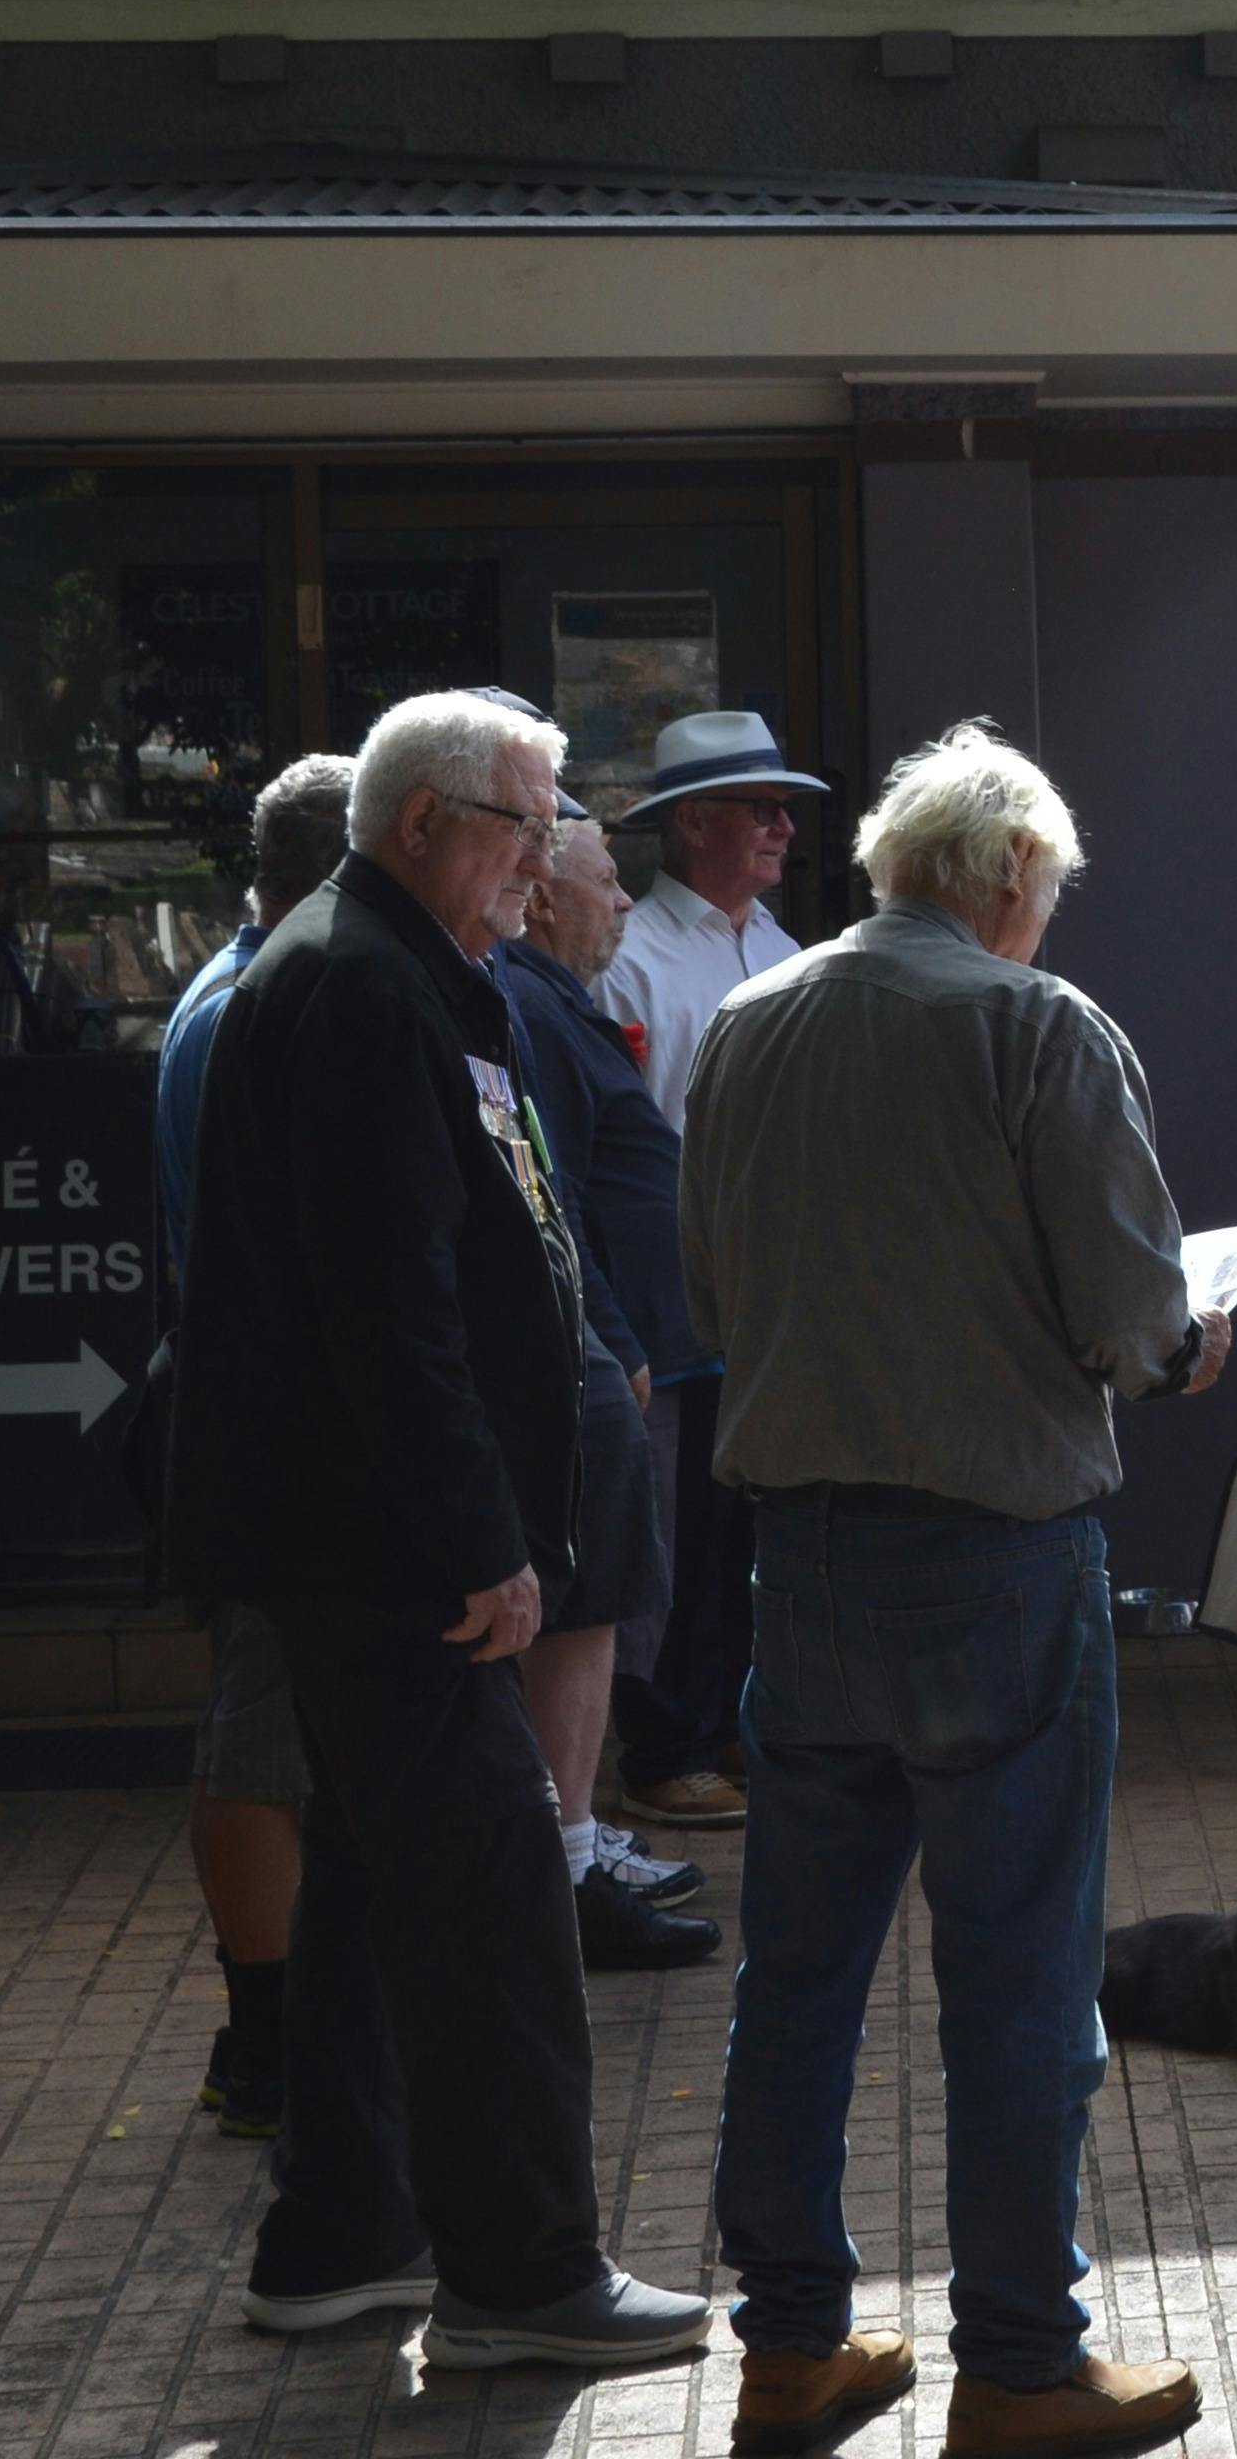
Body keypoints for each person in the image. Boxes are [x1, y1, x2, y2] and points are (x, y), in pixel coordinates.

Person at [683, 724, 1232, 2459]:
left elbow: (708, 1282)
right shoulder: (1034, 1025)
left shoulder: (750, 1021)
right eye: (1047, 893)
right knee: (1016, 1970)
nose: (1046, 922)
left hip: (801, 1552)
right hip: (994, 1551)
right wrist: (1186, 1340)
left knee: (798, 1973)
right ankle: (1016, 2355)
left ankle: (785, 2343)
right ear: (1006, 876)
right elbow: (1136, 1315)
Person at [169, 688, 710, 2371]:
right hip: (382, 1542)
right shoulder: (353, 979)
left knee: (377, 1880)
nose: (544, 863)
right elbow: (384, 1306)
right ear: (426, 824)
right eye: (525, 825)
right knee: (490, 1892)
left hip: (374, 1531)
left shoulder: (408, 966)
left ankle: (341, 2230)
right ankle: (521, 2269)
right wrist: (481, 1536)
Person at [157, 749, 352, 2146]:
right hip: (274, 1440)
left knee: (273, 1736)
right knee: (259, 1737)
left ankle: (281, 2031)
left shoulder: (244, 989)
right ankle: (267, 2043)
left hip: (261, 1425)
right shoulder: (257, 1008)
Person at [597, 705, 824, 1838]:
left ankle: (724, 1725)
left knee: (745, 1531)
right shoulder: (627, 961)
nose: (785, 827)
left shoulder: (782, 952)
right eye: (762, 807)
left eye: (787, 810)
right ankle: (662, 1746)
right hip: (674, 1298)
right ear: (695, 825)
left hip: (766, 1299)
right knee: (674, 1531)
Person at [497, 812, 719, 1968]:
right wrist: (614, 1333)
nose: (625, 903)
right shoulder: (526, 1007)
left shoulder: (551, 1000)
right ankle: (567, 1859)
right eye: (603, 882)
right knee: (589, 1609)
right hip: (604, 1356)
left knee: (620, 1597)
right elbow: (555, 1192)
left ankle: (578, 1838)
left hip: (635, 1348)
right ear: (540, 897)